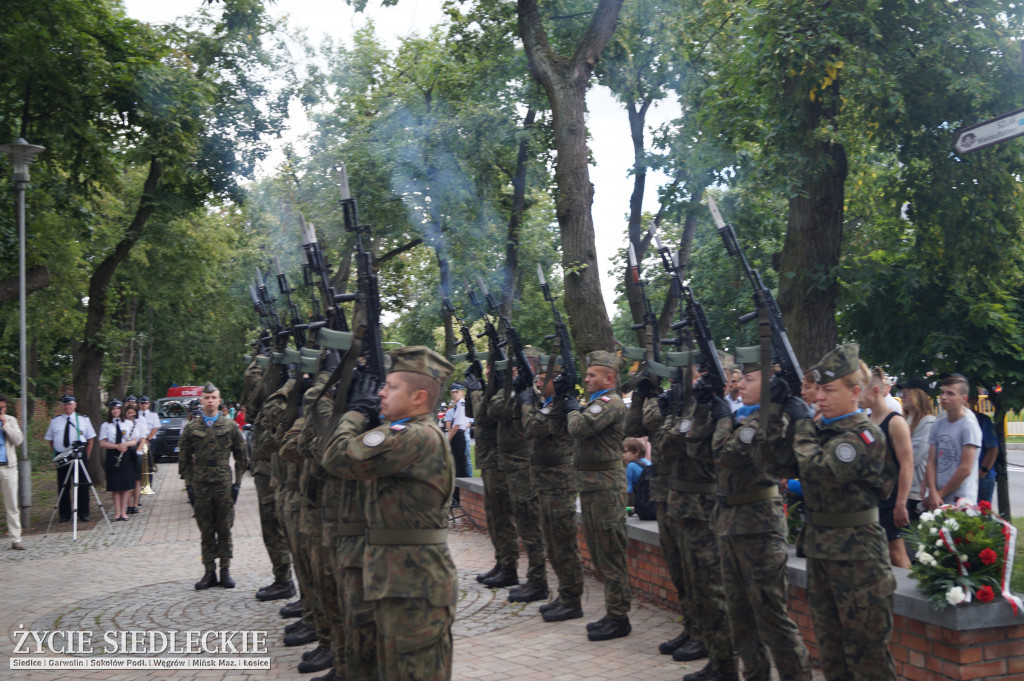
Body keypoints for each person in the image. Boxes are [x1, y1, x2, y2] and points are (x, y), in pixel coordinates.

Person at [759, 344, 896, 681]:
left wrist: (804, 424)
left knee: (867, 657)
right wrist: (777, 412)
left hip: (858, 559)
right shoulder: (822, 431)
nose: (819, 396)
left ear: (854, 392)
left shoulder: (864, 435)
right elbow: (773, 463)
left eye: (828, 389)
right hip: (822, 552)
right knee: (831, 652)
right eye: (817, 388)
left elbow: (820, 471)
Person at [323, 346, 458, 681]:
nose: (381, 392)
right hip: (398, 580)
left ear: (419, 397)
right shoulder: (404, 434)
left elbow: (338, 457)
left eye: (391, 386)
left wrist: (354, 413)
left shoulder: (414, 436)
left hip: (414, 585)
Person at [698, 346, 811, 681]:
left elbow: (725, 455)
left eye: (749, 379)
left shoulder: (772, 419)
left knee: (772, 618)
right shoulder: (744, 416)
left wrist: (722, 419)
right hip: (731, 524)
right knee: (740, 617)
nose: (740, 385)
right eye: (741, 379)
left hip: (759, 527)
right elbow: (701, 450)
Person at [563, 351, 632, 641]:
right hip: (593, 486)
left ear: (610, 378)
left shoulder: (610, 403)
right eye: (587, 374)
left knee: (610, 554)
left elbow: (577, 428)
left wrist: (570, 409)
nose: (587, 379)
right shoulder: (593, 404)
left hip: (605, 488)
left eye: (592, 375)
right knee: (600, 554)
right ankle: (613, 612)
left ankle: (620, 618)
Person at [520, 365, 584, 623]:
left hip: (559, 485)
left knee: (563, 543)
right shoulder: (550, 403)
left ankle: (572, 600)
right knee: (553, 543)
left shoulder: (559, 406)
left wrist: (525, 404)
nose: (538, 381)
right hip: (546, 484)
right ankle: (565, 595)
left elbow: (532, 426)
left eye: (543, 378)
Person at [178, 383, 246, 590]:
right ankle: (209, 572)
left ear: (219, 400)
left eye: (213, 397)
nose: (210, 401)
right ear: (201, 400)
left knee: (224, 528)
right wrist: (189, 484)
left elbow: (241, 456)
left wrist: (238, 484)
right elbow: (183, 458)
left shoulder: (230, 425)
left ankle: (225, 571)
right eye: (206, 397)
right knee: (206, 529)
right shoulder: (192, 428)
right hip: (201, 484)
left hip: (223, 482)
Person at [860, 368, 913, 568]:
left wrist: (901, 503)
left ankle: (907, 595)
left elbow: (907, 464)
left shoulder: (895, 422)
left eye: (861, 390)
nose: (858, 396)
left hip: (892, 499)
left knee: (896, 554)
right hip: (872, 498)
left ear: (875, 391)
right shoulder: (865, 422)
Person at [924, 374, 981, 509]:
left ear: (963, 399)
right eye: (942, 392)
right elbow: (931, 461)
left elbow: (965, 469)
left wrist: (940, 494)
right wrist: (932, 491)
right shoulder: (937, 424)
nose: (943, 397)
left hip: (961, 501)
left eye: (950, 393)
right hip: (937, 498)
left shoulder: (969, 426)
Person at [44, 395, 96, 523]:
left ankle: (83, 513)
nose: (67, 406)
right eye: (65, 404)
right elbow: (50, 440)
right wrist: (56, 453)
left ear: (75, 405)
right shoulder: (55, 421)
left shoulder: (83, 420)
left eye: (70, 404)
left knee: (82, 485)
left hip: (79, 455)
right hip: (62, 455)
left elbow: (90, 439)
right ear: (62, 406)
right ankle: (64, 513)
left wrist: (87, 455)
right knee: (63, 484)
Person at [897, 378, 936, 521]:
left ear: (918, 396)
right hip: (904, 489)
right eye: (901, 393)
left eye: (906, 393)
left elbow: (913, 457)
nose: (902, 396)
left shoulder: (928, 422)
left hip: (916, 492)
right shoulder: (905, 420)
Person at [99, 400, 142, 521]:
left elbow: (135, 440)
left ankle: (124, 512)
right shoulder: (105, 425)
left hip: (126, 454)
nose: (115, 411)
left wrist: (125, 444)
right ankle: (117, 512)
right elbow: (102, 443)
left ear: (121, 410)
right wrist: (116, 446)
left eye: (117, 409)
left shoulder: (128, 423)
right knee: (115, 485)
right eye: (113, 409)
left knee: (125, 484)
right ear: (110, 411)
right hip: (112, 454)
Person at [0, 394, 26, 550]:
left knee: (12, 504)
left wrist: (5, 425)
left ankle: (16, 538)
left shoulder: (11, 420)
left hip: (8, 467)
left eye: (2, 407)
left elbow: (18, 440)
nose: (0, 410)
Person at [968, 394, 999, 503]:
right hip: (967, 477)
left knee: (982, 514)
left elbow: (993, 449)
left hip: (982, 477)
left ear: (974, 400)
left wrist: (983, 471)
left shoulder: (982, 421)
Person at [446, 383, 472, 502]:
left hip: (458, 435)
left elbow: (456, 426)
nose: (454, 394)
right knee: (456, 466)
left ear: (462, 392)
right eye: (453, 392)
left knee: (460, 467)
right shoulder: (456, 406)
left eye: (457, 392)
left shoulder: (462, 404)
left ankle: (459, 497)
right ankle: (457, 496)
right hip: (457, 435)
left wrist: (447, 440)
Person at [622, 436, 650, 505]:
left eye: (625, 452)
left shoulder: (631, 466)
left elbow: (628, 491)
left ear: (637, 452)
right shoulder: (648, 463)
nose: (622, 455)